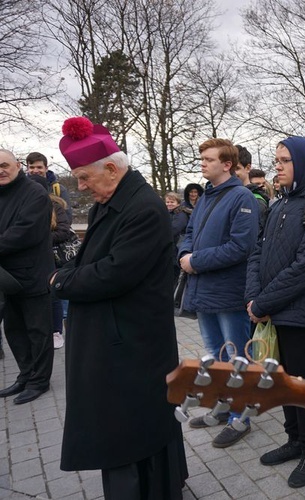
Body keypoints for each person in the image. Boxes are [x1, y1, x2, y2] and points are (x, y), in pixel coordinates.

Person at [49, 117, 188, 498]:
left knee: (129, 428)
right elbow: (91, 254)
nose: (80, 187)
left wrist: (61, 281)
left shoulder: (141, 208)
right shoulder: (111, 199)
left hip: (132, 338)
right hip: (121, 333)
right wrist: (71, 270)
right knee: (137, 420)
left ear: (111, 168)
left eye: (84, 178)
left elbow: (114, 273)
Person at [245, 136, 305, 488]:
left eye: (285, 160)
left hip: (299, 314)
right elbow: (257, 252)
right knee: (281, 383)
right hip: (268, 310)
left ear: (303, 163)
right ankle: (294, 439)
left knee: (300, 383)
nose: (278, 166)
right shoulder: (278, 204)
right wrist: (253, 298)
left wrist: (263, 303)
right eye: (276, 160)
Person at [178, 139, 259, 448]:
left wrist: (195, 262)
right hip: (203, 292)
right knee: (214, 358)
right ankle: (223, 408)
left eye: (209, 159)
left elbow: (242, 247)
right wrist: (184, 254)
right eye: (201, 158)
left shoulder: (242, 197)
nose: (202, 163)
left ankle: (241, 418)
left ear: (227, 164)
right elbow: (188, 234)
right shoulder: (206, 197)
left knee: (236, 358)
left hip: (228, 293)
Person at [0, 149, 55, 405]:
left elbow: (25, 232)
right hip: (5, 278)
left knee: (38, 331)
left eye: (4, 165)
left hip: (32, 275)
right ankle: (25, 375)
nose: (0, 170)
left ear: (18, 165)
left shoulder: (35, 193)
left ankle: (39, 381)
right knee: (14, 330)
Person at [27, 173, 71, 350]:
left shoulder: (55, 206)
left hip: (53, 258)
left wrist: (39, 238)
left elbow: (63, 231)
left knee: (54, 296)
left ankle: (56, 331)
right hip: (30, 260)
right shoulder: (22, 206)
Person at [26, 151, 73, 222]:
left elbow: (67, 217)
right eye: (32, 167)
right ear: (27, 168)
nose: (35, 171)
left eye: (39, 167)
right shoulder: (20, 188)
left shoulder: (58, 189)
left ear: (46, 168)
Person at [165, 192, 189, 284]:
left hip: (177, 247)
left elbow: (174, 229)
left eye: (172, 202)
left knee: (175, 273)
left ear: (178, 203)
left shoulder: (180, 214)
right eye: (167, 202)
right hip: (171, 247)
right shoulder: (169, 213)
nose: (169, 204)